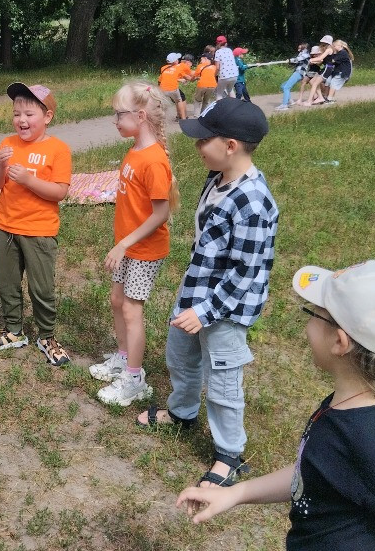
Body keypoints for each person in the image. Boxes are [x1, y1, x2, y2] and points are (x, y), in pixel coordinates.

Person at [177, 260, 375, 551]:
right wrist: (236, 493)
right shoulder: (346, 404)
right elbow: (316, 470)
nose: (307, 325)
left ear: (340, 342)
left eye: (315, 314)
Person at [136, 98, 279, 487]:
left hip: (226, 308)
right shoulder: (217, 178)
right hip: (197, 290)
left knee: (223, 379)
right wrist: (193, 301)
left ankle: (229, 454)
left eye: (204, 141)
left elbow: (245, 272)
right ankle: (181, 412)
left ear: (230, 145)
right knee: (180, 356)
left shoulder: (252, 202)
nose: (198, 147)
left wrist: (206, 312)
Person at [90, 82, 179, 406]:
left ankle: (134, 377)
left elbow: (161, 213)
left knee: (131, 309)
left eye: (119, 114)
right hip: (128, 247)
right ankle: (123, 356)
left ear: (140, 116)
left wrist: (123, 243)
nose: (115, 120)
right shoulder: (135, 151)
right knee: (117, 301)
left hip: (144, 250)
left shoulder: (154, 161)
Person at [0, 83, 72, 365]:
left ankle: (46, 336)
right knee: (6, 282)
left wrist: (29, 180)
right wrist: (0, 165)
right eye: (16, 114)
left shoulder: (58, 149)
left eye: (29, 114)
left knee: (41, 287)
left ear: (47, 117)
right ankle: (13, 331)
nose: (21, 120)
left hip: (39, 231)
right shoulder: (7, 145)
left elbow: (60, 191)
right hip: (5, 227)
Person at [297, 35, 335, 106]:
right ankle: (320, 98)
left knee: (315, 84)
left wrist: (310, 60)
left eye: (323, 42)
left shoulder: (329, 49)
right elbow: (320, 60)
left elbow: (320, 58)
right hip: (325, 68)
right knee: (312, 81)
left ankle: (309, 101)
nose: (322, 43)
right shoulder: (327, 49)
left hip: (328, 68)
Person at [276, 42, 310, 111]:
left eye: (300, 48)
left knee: (286, 87)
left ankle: (284, 105)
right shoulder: (301, 54)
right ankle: (290, 101)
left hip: (299, 73)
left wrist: (289, 60)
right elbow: (297, 59)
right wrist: (290, 60)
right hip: (297, 73)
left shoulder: (306, 54)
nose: (298, 50)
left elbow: (297, 59)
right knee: (283, 86)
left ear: (304, 48)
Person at [158, 52, 191, 120]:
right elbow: (187, 75)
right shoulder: (178, 67)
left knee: (162, 103)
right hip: (173, 89)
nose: (178, 60)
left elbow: (165, 77)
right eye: (177, 59)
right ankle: (183, 118)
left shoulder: (163, 68)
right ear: (175, 61)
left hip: (162, 89)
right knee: (179, 100)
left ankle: (160, 118)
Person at [191, 46, 218, 117]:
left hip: (202, 85)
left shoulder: (200, 66)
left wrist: (192, 80)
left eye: (201, 59)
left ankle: (196, 115)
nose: (200, 61)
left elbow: (194, 76)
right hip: (213, 85)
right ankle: (203, 115)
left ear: (206, 59)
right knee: (206, 101)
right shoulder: (214, 67)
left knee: (197, 100)